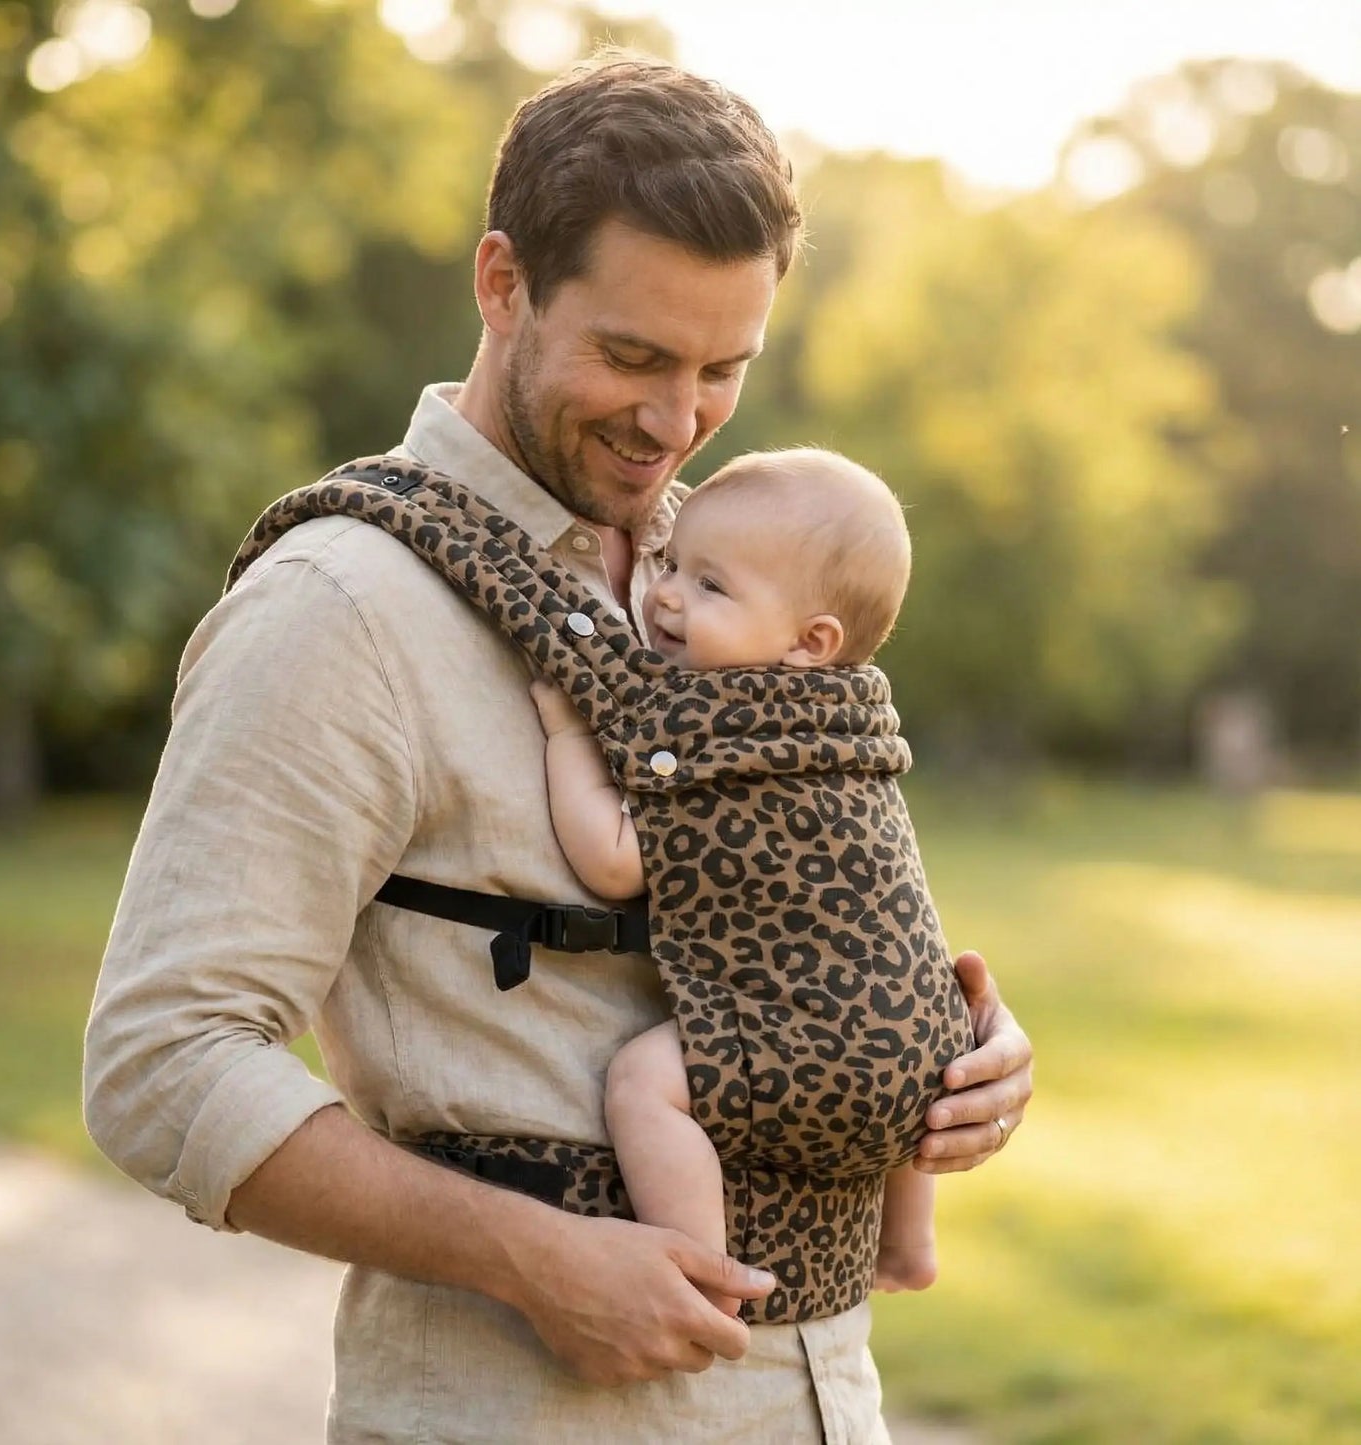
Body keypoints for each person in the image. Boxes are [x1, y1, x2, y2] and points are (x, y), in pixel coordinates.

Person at [85, 52, 1032, 1444]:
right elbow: (161, 1057)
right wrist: (531, 1254)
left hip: (823, 1401)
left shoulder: (724, 571)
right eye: (634, 356)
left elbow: (788, 903)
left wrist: (954, 1061)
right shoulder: (337, 608)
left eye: (723, 369)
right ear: (501, 283)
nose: (674, 421)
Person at [530, 446, 944, 1315]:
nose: (668, 596)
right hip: (923, 1044)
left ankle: (698, 1269)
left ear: (808, 642)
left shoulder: (724, 730)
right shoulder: (850, 723)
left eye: (711, 587)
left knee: (644, 1081)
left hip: (803, 1037)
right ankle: (907, 1245)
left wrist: (570, 737)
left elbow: (612, 858)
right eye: (672, 563)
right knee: (900, 1068)